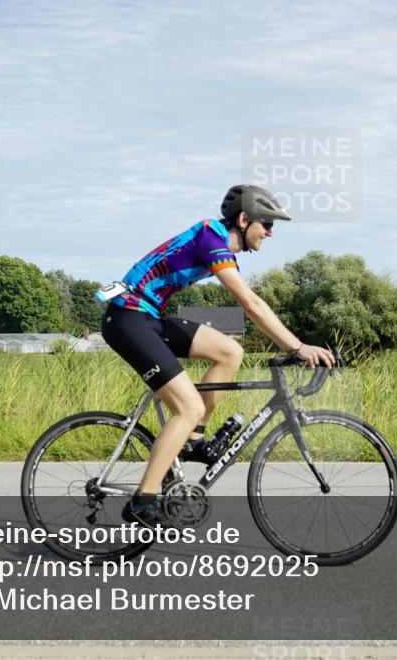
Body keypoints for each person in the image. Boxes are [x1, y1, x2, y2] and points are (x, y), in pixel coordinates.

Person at [101, 184, 335, 526]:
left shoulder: (216, 242)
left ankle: (193, 439)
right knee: (189, 406)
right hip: (127, 318)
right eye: (267, 224)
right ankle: (142, 501)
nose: (270, 233)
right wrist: (298, 347)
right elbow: (250, 303)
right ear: (243, 219)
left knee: (229, 351)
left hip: (149, 316)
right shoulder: (212, 239)